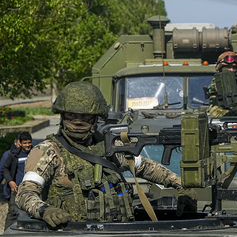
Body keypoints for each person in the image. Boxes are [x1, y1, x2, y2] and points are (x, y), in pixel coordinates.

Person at [16, 81, 198, 227]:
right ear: (62, 116)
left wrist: (182, 186)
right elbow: (24, 194)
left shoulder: (109, 145)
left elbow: (146, 167)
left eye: (85, 117)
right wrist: (45, 211)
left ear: (96, 118)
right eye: (72, 116)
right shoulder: (48, 151)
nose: (78, 122)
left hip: (118, 236)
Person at [2, 131, 31, 230]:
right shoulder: (14, 154)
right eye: (25, 143)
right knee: (12, 212)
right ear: (20, 143)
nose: (27, 145)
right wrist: (10, 181)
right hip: (16, 189)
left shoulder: (35, 153)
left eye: (29, 143)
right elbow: (5, 168)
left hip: (31, 189)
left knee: (27, 213)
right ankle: (7, 234)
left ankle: (25, 234)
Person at [0, 135, 21, 232]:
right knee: (12, 213)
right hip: (11, 189)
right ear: (15, 142)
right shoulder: (8, 154)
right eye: (19, 143)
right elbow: (2, 171)